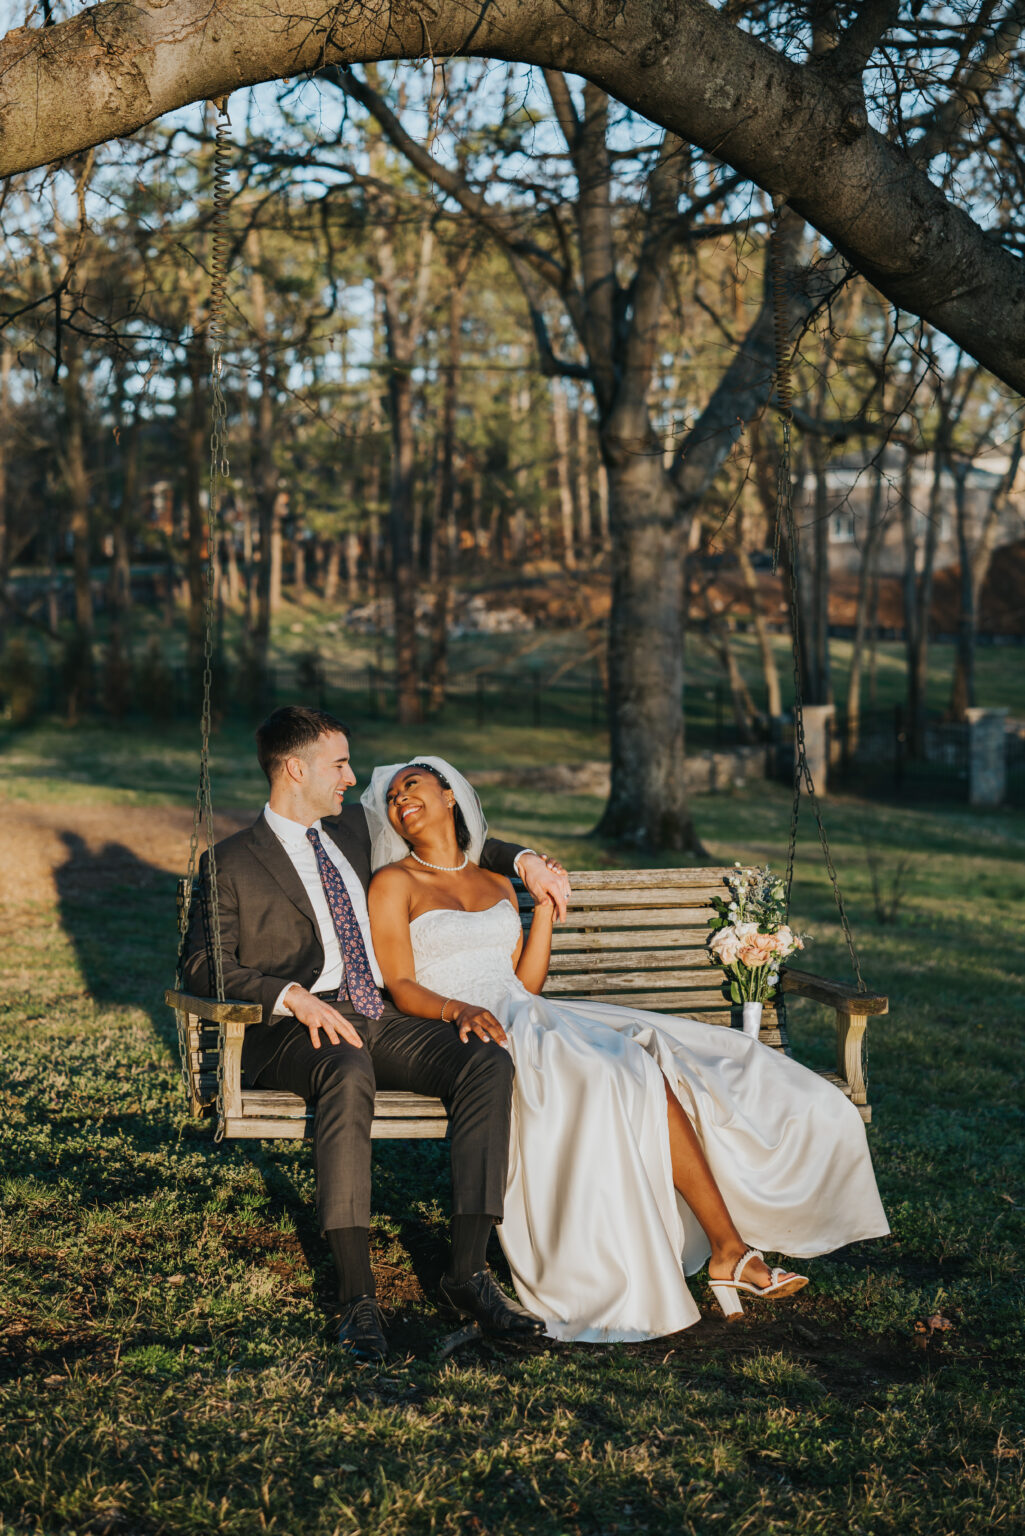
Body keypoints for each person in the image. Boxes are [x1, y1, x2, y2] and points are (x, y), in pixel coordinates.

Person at [364, 756, 891, 1343]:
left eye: (412, 786)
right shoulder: (394, 883)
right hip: (468, 1027)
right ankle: (728, 1254)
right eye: (390, 797)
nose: (399, 800)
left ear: (450, 796)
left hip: (529, 1011)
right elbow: (401, 983)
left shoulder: (495, 885)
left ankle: (728, 1250)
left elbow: (525, 983)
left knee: (660, 1061)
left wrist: (546, 914)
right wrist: (456, 1009)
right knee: (621, 1070)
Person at [184, 707, 572, 1362]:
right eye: (338, 764)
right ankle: (357, 1295)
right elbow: (202, 964)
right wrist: (288, 996)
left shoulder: (357, 831)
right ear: (295, 769)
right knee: (344, 1066)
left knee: (484, 1058)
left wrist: (526, 860)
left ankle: (468, 1274)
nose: (352, 777)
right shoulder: (232, 862)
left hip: (379, 1015)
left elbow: (458, 837)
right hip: (295, 1028)